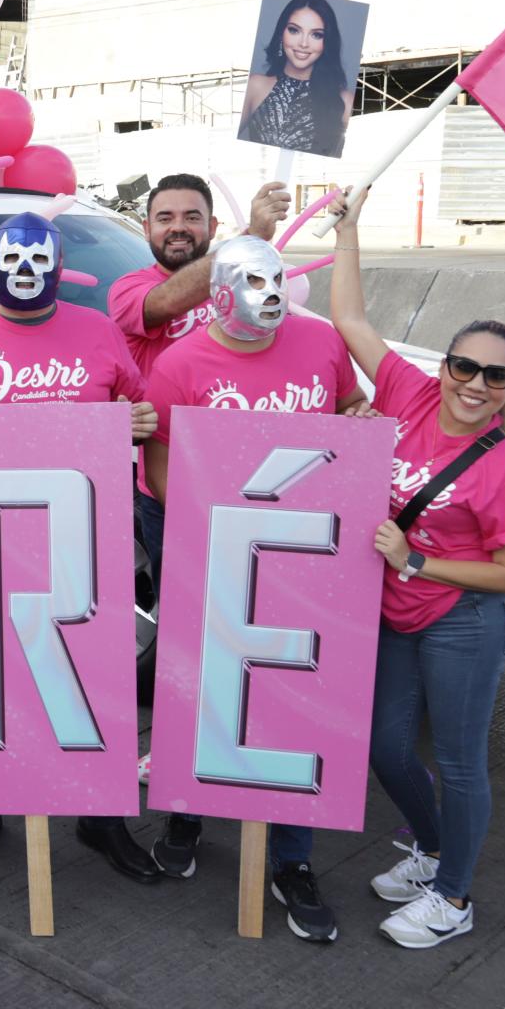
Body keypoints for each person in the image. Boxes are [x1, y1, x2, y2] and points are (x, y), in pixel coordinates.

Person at [0, 212, 166, 882]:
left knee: (91, 674)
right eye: (13, 260)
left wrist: (139, 423)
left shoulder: (99, 331)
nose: (26, 272)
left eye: (38, 259)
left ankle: (100, 815)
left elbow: (137, 411)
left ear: (56, 266)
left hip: (82, 538)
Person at [327, 185, 505, 949]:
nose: (477, 384)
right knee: (387, 745)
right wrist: (349, 230)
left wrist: (419, 556)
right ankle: (431, 848)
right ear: (445, 362)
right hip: (398, 610)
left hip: (465, 620)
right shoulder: (412, 394)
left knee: (457, 759)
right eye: (466, 365)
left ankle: (453, 897)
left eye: (498, 376)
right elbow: (351, 321)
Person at [141, 234, 367, 943]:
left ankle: (292, 859)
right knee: (201, 688)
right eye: (251, 281)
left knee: (293, 700)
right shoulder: (179, 364)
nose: (269, 294)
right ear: (218, 291)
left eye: (276, 280)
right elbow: (159, 470)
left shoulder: (322, 345)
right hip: (216, 554)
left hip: (307, 557)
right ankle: (186, 813)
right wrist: (214, 535)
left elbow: (349, 413)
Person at [107, 175, 289, 629]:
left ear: (212, 224)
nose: (178, 227)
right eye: (165, 218)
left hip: (256, 472)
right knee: (189, 616)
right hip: (169, 480)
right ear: (146, 227)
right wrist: (247, 244)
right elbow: (164, 304)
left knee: (258, 605)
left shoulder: (251, 284)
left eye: (192, 217)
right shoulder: (128, 289)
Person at [236, 0, 355, 156]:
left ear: (327, 42)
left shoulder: (346, 101)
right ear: (281, 33)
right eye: (294, 30)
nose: (303, 43)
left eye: (316, 35)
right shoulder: (254, 86)